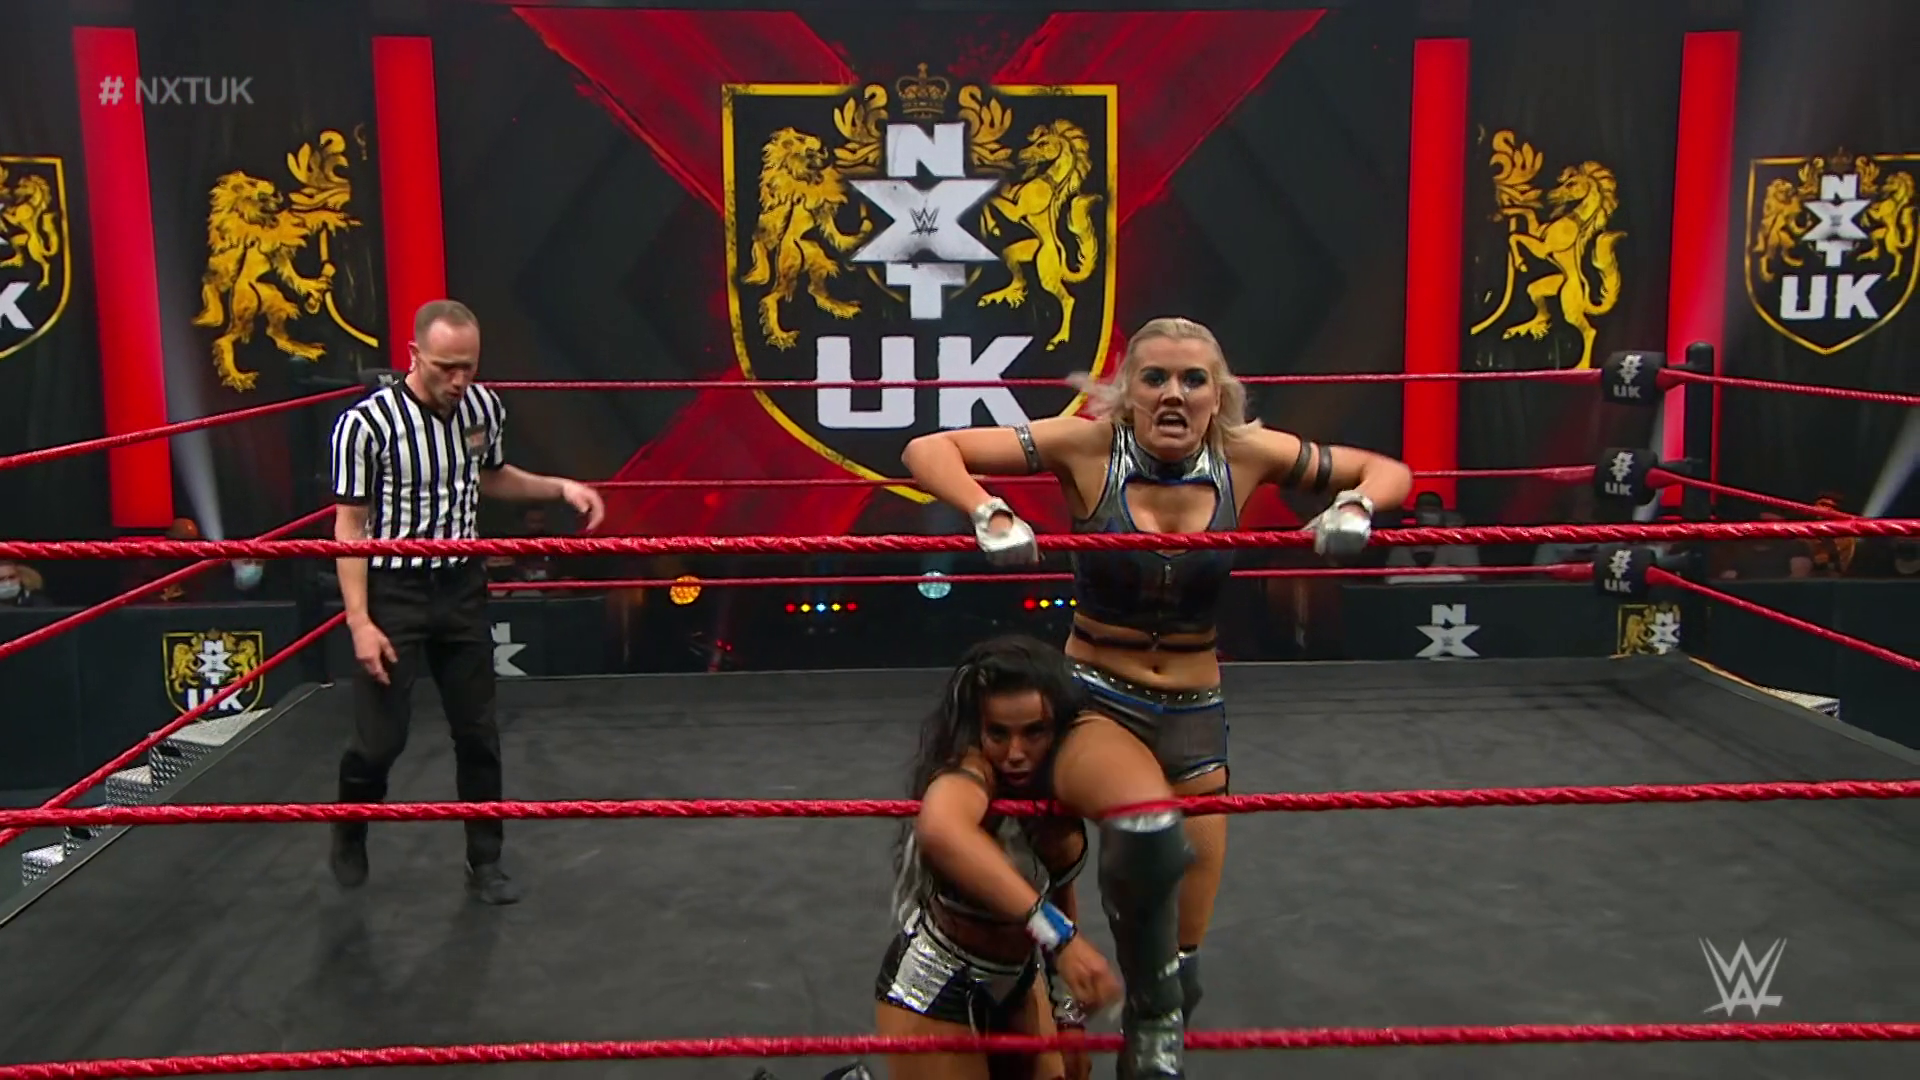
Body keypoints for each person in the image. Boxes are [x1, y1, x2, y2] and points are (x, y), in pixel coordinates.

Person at [901, 316, 1413, 1077]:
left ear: (1218, 396)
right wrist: (989, 511)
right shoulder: (1087, 445)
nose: (1174, 394)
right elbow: (928, 449)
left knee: (1179, 961)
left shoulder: (1248, 453)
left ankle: (1148, 1033)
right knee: (1146, 828)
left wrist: (1357, 507)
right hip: (1097, 698)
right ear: (1127, 393)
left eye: (1192, 380)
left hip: (1197, 713)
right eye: (1155, 378)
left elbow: (1388, 470)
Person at [327, 298, 606, 904]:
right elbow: (349, 524)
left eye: (469, 367)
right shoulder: (366, 425)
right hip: (394, 591)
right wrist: (360, 621)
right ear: (414, 355)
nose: (458, 381)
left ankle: (486, 861)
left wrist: (560, 487)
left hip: (460, 586)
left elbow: (490, 475)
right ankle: (349, 824)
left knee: (478, 733)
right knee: (380, 743)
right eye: (445, 367)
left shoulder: (482, 407)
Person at [875, 634, 1121, 1080]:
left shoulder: (1059, 780)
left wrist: (1068, 1013)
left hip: (1019, 980)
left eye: (1034, 732)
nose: (1015, 754)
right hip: (938, 983)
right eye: (998, 734)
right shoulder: (972, 772)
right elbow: (942, 828)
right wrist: (1060, 938)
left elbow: (1059, 891)